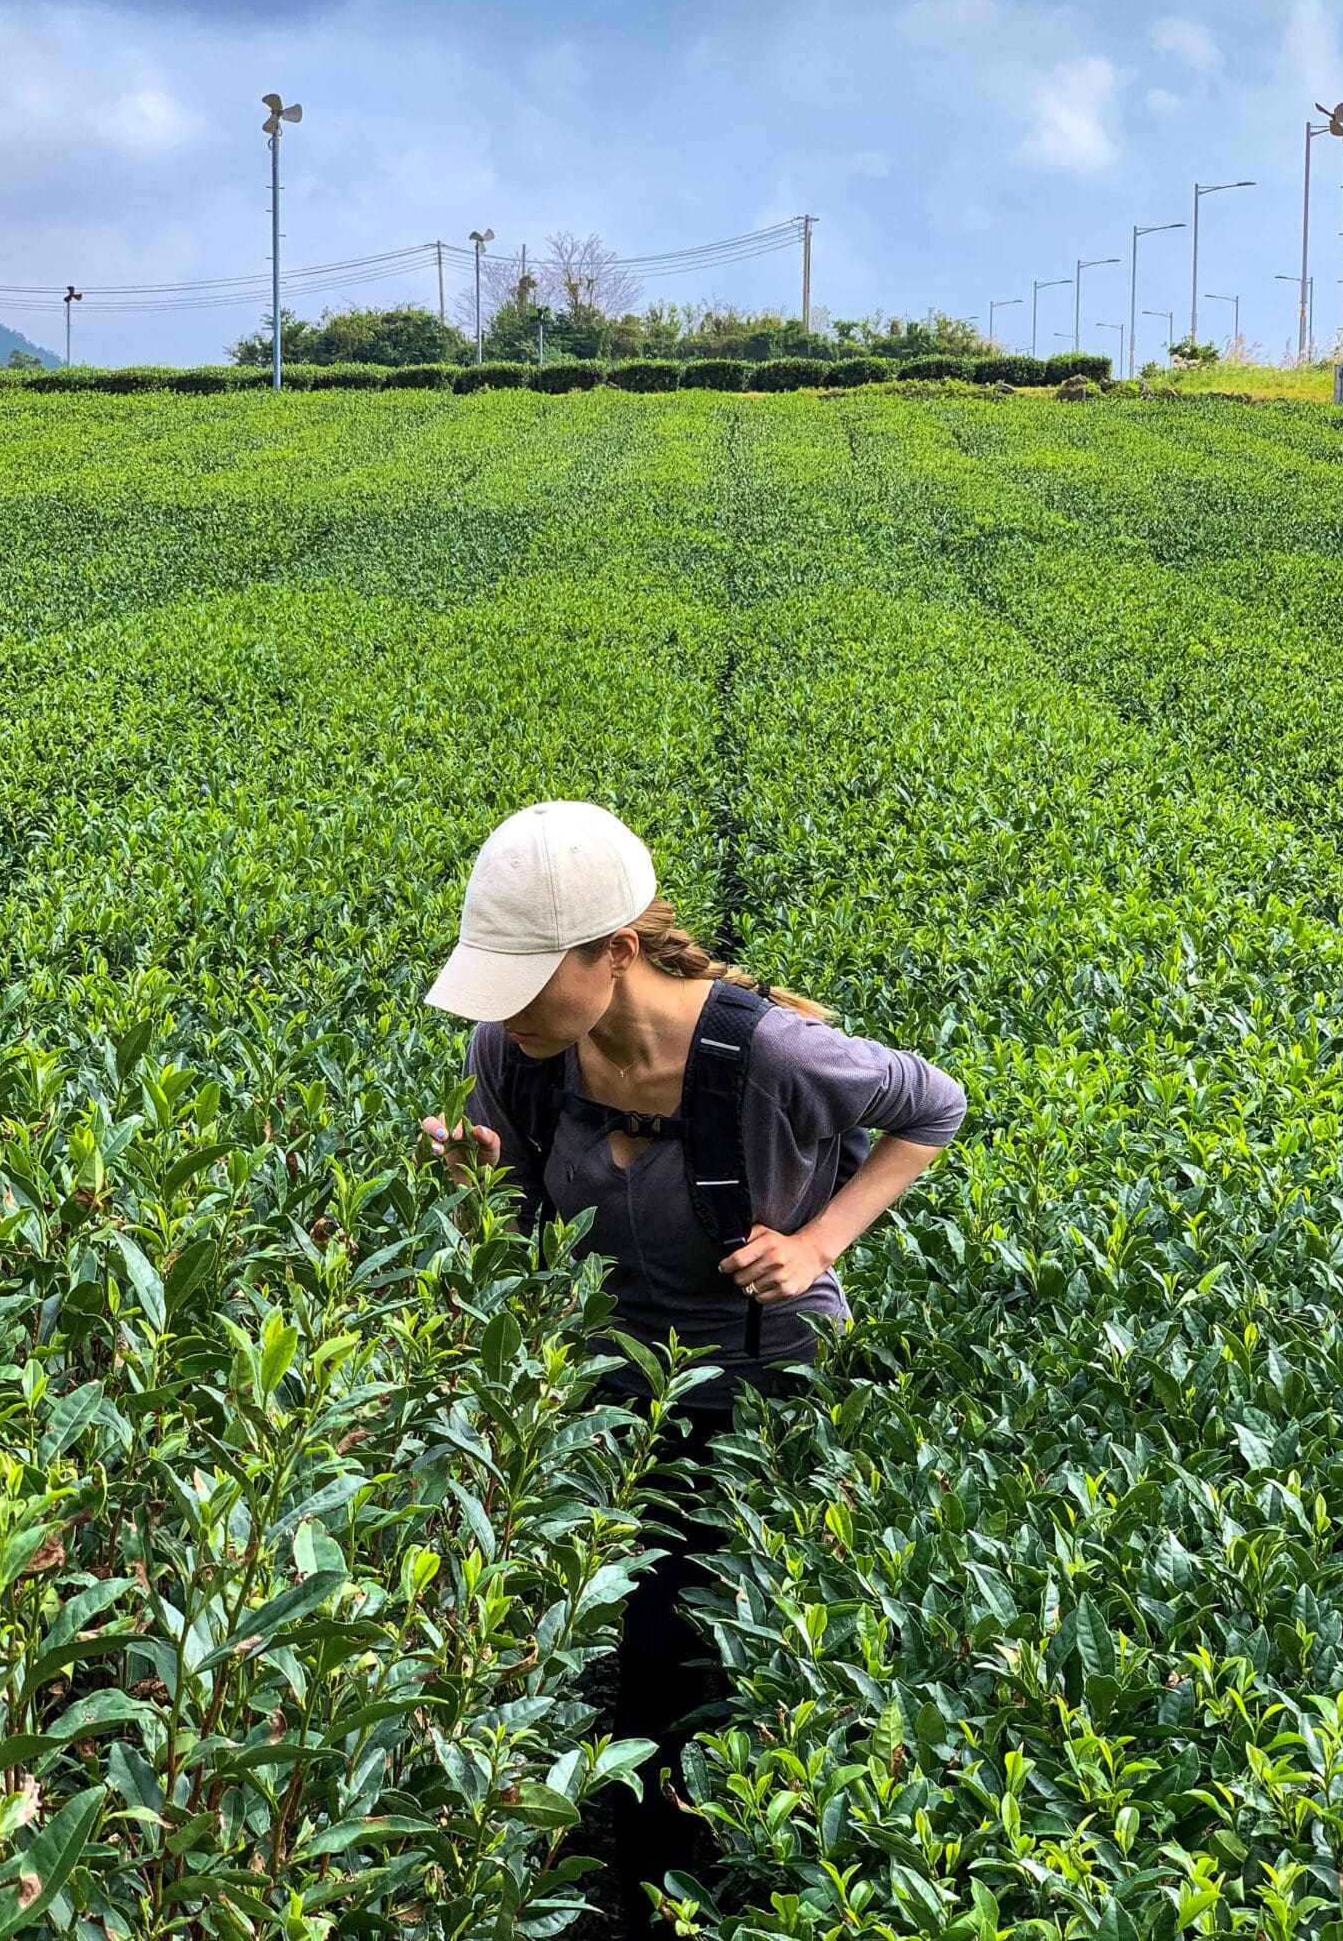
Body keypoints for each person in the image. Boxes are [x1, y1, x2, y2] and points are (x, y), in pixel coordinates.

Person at [421, 799, 967, 1936]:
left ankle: (679, 1880)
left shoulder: (767, 1054)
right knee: (582, 1631)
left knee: (686, 1649)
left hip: (748, 1386)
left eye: (526, 976)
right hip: (599, 1378)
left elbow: (933, 1104)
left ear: (616, 953)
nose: (503, 1005)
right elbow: (526, 1231)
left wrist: (819, 1243)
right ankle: (588, 1865)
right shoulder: (514, 1052)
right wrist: (475, 1185)